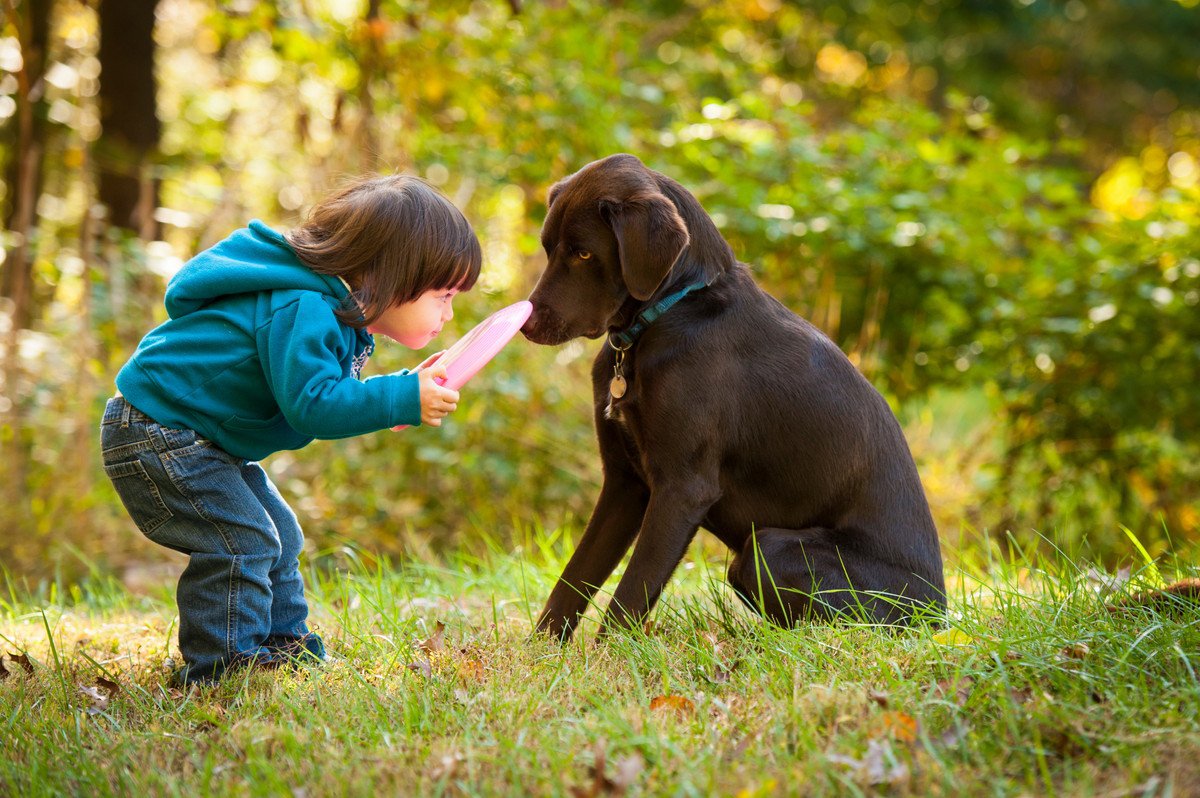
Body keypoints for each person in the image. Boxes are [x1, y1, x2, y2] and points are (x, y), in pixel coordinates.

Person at [99, 174, 481, 686]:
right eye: (443, 295)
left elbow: (327, 390)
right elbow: (313, 404)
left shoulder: (326, 308)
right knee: (243, 540)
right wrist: (398, 400)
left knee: (279, 533)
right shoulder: (301, 306)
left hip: (196, 439)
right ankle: (223, 668)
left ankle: (283, 645)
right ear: (390, 275)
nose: (448, 313)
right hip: (158, 434)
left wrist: (397, 396)